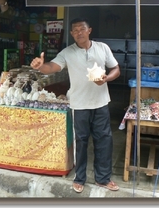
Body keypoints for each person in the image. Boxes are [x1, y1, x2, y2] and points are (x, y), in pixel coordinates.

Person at [30, 17, 120, 193]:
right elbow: (52, 67)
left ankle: (103, 178)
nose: (79, 32)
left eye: (82, 29)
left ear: (89, 30)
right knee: (81, 142)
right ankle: (80, 178)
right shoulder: (67, 53)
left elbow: (116, 69)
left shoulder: (103, 48)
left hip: (101, 102)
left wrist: (107, 79)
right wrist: (40, 67)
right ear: (71, 34)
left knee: (104, 141)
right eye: (75, 30)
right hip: (79, 105)